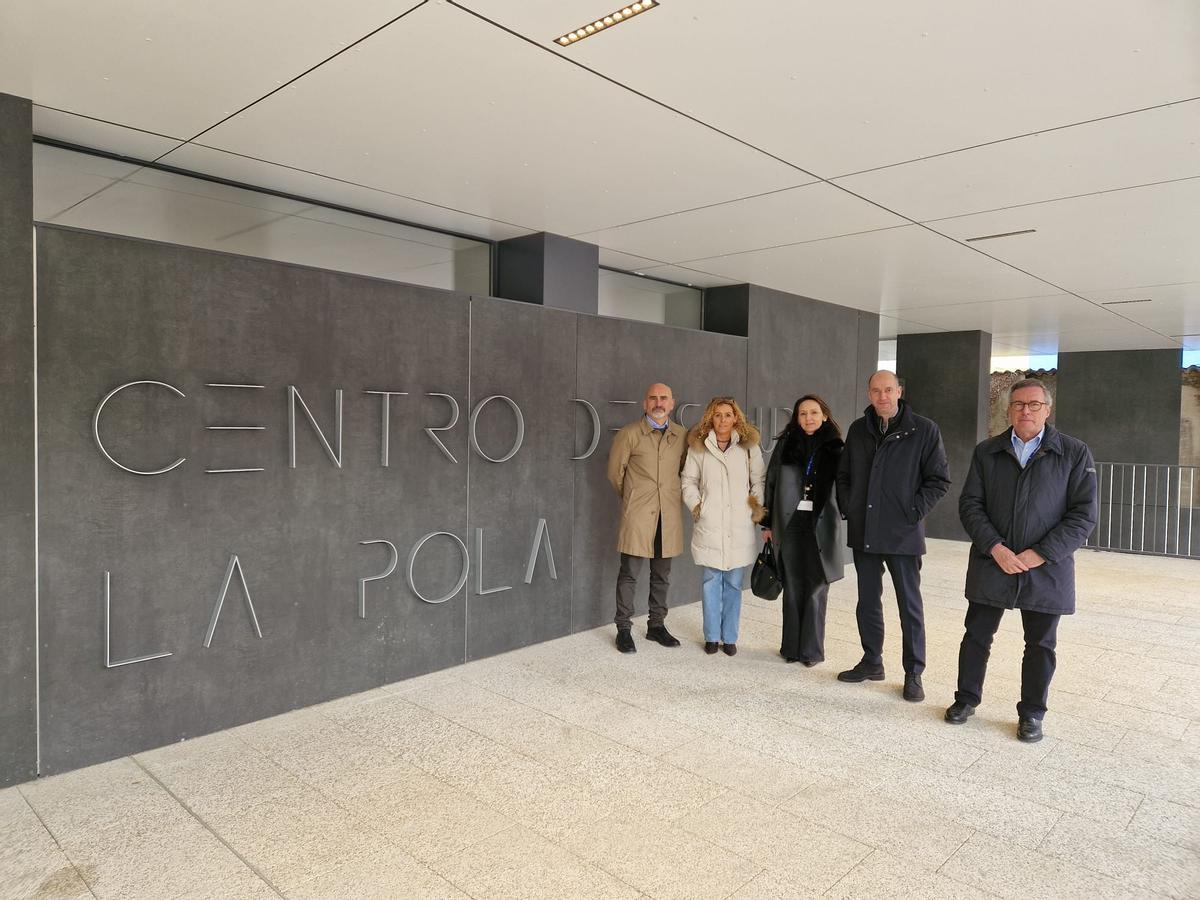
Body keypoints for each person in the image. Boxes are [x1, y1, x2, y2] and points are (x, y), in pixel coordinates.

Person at [946, 378, 1097, 742]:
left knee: (1041, 644)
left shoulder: (1075, 453)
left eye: (1033, 405)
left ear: (1047, 409)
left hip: (1047, 568)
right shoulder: (987, 451)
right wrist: (995, 547)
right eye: (1018, 404)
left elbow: (1083, 514)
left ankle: (1032, 713)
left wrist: (1039, 554)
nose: (1025, 410)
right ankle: (966, 699)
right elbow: (970, 505)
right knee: (976, 636)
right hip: (992, 560)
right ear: (1008, 409)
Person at [835, 370, 950, 701]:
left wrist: (912, 512)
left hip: (903, 534)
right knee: (867, 602)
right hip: (865, 530)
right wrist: (850, 508)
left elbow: (939, 480)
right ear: (869, 394)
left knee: (908, 605)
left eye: (888, 389)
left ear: (900, 391)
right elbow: (844, 475)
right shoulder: (859, 430)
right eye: (875, 390)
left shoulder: (924, 430)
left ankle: (914, 672)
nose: (882, 396)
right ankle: (872, 661)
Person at [762, 395, 845, 666]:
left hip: (821, 524)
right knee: (794, 584)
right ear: (796, 418)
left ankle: (811, 651)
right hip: (790, 524)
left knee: (817, 585)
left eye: (813, 412)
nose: (808, 418)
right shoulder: (786, 445)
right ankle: (791, 648)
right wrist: (766, 523)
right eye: (802, 413)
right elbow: (771, 483)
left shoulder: (836, 447)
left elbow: (846, 486)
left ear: (824, 415)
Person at [681, 397, 766, 656]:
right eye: (717, 415)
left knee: (733, 582)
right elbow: (688, 481)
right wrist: (698, 507)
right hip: (711, 523)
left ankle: (729, 636)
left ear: (735, 418)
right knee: (710, 581)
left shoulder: (748, 447)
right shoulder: (699, 447)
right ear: (710, 418)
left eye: (728, 415)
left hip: (739, 524)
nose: (723, 420)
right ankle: (711, 636)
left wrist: (753, 508)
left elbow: (758, 480)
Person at [607, 382, 687, 653]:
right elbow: (615, 474)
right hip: (638, 515)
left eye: (664, 397)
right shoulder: (630, 434)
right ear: (644, 404)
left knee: (662, 575)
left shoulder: (681, 435)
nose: (658, 402)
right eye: (653, 398)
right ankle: (623, 629)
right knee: (629, 573)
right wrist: (634, 498)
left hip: (669, 514)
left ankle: (656, 626)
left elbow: (685, 471)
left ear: (672, 403)